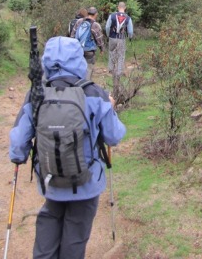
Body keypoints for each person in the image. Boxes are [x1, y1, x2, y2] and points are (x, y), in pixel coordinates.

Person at [9, 36, 126, 259]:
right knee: (76, 234)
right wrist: (110, 108)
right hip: (86, 181)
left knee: (50, 220)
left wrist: (18, 157)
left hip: (51, 177)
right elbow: (114, 136)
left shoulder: (36, 94)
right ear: (78, 60)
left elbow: (18, 142)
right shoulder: (94, 93)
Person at [71, 6, 105, 80]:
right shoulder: (95, 25)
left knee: (78, 67)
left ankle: (77, 83)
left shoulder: (79, 21)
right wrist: (102, 49)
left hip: (77, 49)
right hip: (89, 51)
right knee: (88, 69)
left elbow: (72, 34)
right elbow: (99, 39)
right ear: (95, 14)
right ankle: (86, 85)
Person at [105, 2, 134, 81]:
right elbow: (130, 31)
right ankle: (119, 71)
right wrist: (130, 37)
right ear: (125, 8)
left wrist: (108, 35)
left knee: (111, 52)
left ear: (118, 7)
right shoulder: (128, 18)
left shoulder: (112, 16)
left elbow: (107, 27)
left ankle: (111, 69)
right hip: (122, 38)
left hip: (112, 37)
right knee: (121, 54)